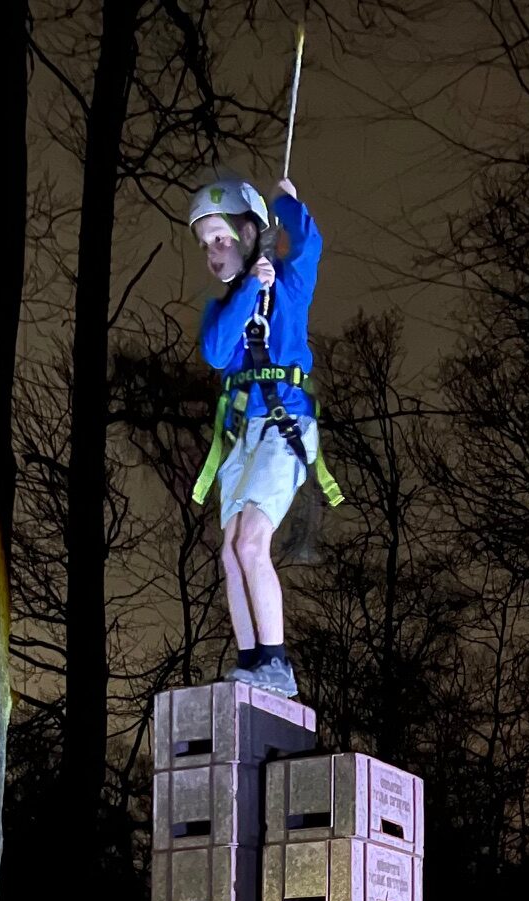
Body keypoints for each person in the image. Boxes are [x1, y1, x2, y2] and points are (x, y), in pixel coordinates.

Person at [188, 174, 341, 699]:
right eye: (206, 243)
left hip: (284, 425)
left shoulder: (290, 287)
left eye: (221, 237)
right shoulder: (223, 308)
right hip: (241, 437)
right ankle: (252, 659)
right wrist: (252, 284)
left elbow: (310, 243)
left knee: (252, 538)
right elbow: (216, 351)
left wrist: (285, 202)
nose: (213, 252)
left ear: (250, 231)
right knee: (231, 550)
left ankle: (277, 662)